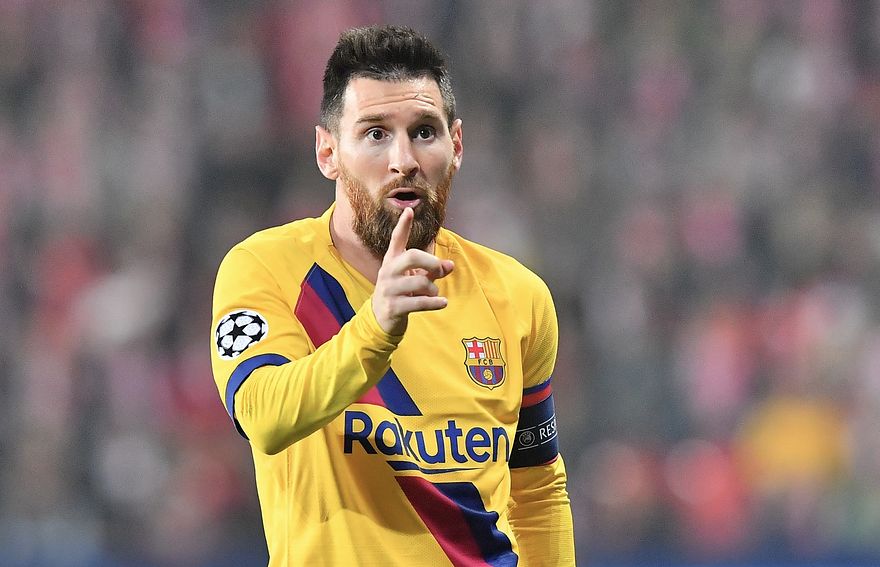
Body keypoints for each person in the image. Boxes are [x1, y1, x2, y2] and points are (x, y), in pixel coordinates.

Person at [210, 25, 575, 566]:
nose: (403, 159)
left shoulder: (517, 296)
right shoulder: (267, 269)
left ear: (456, 146)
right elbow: (264, 417)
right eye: (376, 134)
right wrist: (374, 329)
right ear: (328, 152)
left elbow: (538, 488)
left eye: (424, 132)